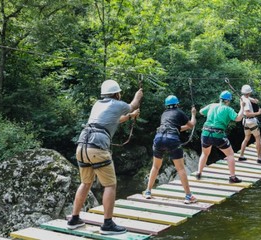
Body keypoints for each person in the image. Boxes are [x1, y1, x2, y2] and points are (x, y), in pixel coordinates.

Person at [67, 79, 143, 235]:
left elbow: (115, 119)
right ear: (116, 93)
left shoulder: (98, 104)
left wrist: (130, 116)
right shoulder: (118, 104)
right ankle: (107, 224)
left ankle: (74, 219)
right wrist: (138, 95)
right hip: (98, 147)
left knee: (85, 183)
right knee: (110, 185)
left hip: (82, 146)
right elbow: (133, 104)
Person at [143, 95, 197, 204]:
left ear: (166, 105)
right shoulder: (179, 112)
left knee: (155, 166)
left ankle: (148, 191)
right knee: (181, 169)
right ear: (177, 104)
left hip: (159, 138)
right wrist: (193, 114)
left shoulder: (164, 113)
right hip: (172, 139)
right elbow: (191, 125)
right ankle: (188, 196)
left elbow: (174, 127)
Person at [196, 90, 245, 183]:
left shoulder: (212, 105)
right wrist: (242, 107)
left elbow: (201, 112)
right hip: (218, 135)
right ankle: (232, 177)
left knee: (205, 153)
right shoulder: (228, 109)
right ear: (228, 101)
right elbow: (238, 118)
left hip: (205, 133)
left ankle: (199, 173)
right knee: (230, 154)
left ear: (220, 99)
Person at [237, 85, 261, 164]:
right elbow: (247, 113)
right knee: (258, 138)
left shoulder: (243, 98)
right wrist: (258, 113)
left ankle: (241, 156)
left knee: (246, 138)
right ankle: (259, 158)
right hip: (251, 122)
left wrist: (254, 100)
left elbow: (252, 100)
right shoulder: (246, 101)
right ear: (249, 92)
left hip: (245, 122)